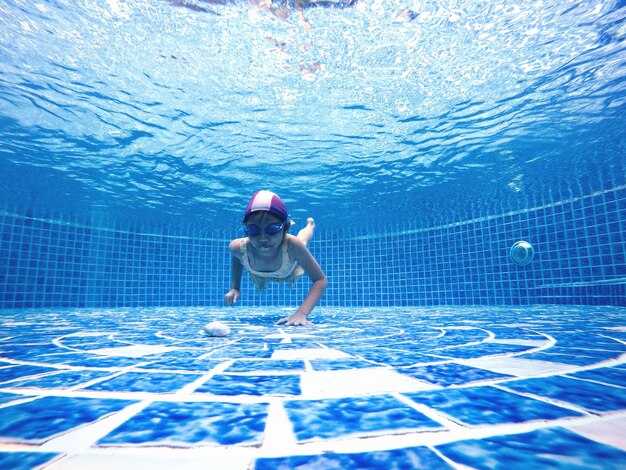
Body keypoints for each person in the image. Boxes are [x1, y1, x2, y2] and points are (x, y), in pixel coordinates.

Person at [225, 190, 327, 326]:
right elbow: (237, 258)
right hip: (259, 274)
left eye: (272, 228)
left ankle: (310, 226)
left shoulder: (292, 246)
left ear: (285, 228)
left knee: (301, 241)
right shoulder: (237, 247)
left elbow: (320, 280)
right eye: (253, 230)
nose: (263, 238)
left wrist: (301, 314)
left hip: (289, 267)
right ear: (246, 230)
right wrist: (235, 287)